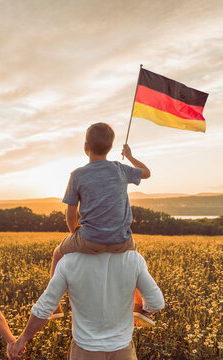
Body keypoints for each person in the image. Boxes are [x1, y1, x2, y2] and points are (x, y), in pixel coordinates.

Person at [49, 123, 152, 324]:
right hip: (122, 240)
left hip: (89, 240)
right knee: (134, 257)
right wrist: (129, 155)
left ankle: (54, 305)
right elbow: (146, 172)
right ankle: (139, 305)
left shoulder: (77, 175)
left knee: (57, 254)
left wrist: (76, 237)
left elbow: (71, 216)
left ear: (86, 146)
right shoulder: (120, 169)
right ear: (111, 148)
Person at [9, 251, 165, 359]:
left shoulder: (69, 261)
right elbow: (156, 303)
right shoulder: (133, 258)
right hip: (123, 350)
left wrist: (22, 339)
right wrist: (138, 310)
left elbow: (44, 308)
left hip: (85, 351)